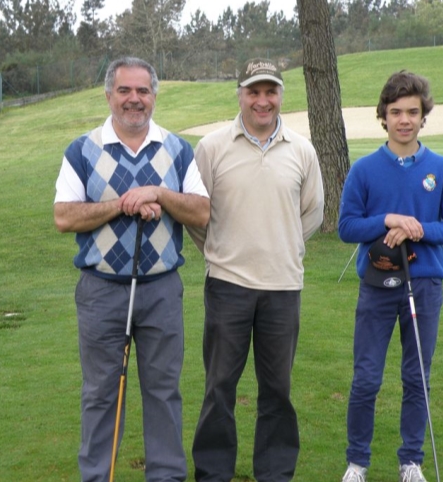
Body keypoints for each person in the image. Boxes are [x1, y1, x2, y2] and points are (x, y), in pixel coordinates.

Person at [53, 56, 210, 482]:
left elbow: (200, 210)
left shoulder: (177, 149)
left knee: (163, 391)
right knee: (101, 394)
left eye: (142, 91)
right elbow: (64, 216)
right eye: (124, 91)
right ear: (109, 95)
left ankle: (166, 476)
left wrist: (158, 191)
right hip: (101, 290)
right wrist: (122, 204)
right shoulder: (82, 150)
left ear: (154, 96)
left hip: (161, 289)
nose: (134, 99)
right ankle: (97, 476)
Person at [186, 58, 325, 482]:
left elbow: (313, 213)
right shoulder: (212, 147)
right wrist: (220, 250)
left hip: (283, 287)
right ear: (240, 95)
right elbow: (196, 214)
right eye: (253, 91)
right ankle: (212, 473)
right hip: (228, 286)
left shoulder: (301, 149)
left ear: (281, 95)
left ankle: (275, 473)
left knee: (277, 392)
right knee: (219, 389)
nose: (262, 101)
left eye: (270, 91)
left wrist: (281, 245)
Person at [337, 70, 443, 482]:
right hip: (376, 287)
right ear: (383, 116)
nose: (405, 120)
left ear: (423, 116)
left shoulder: (441, 169)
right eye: (396, 112)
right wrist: (388, 220)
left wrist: (418, 228)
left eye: (413, 111)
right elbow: (347, 227)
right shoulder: (363, 170)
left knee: (416, 377)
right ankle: (357, 463)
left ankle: (410, 461)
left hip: (424, 285)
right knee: (366, 378)